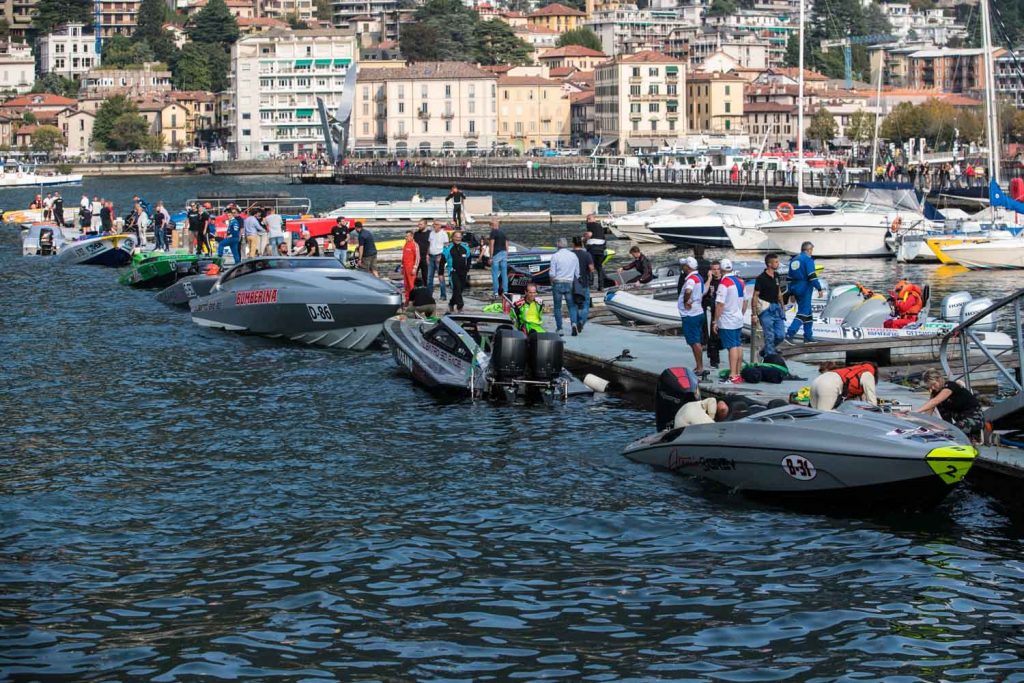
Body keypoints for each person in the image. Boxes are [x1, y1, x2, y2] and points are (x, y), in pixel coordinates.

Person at [918, 368, 984, 441]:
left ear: (939, 379)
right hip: (959, 420)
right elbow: (928, 413)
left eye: (934, 384)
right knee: (941, 428)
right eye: (930, 386)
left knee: (950, 432)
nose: (933, 388)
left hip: (974, 418)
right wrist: (922, 426)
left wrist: (916, 411)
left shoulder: (950, 386)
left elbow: (935, 401)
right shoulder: (935, 393)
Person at [713, 259, 747, 384]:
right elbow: (745, 301)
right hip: (738, 318)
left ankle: (732, 375)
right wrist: (741, 314)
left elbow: (720, 304)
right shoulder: (740, 281)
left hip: (728, 320)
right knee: (738, 345)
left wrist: (715, 321)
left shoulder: (724, 283)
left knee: (732, 347)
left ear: (721, 270)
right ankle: (738, 373)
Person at [785, 241, 822, 343]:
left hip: (795, 288)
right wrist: (819, 288)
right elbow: (812, 276)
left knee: (808, 313)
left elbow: (789, 278)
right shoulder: (808, 260)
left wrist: (791, 293)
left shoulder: (794, 260)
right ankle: (789, 334)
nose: (812, 252)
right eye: (811, 250)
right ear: (808, 250)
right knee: (803, 312)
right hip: (805, 288)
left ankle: (808, 336)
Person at [752, 253, 786, 358]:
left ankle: (766, 349)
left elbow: (779, 291)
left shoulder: (776, 275)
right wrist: (754, 314)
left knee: (780, 335)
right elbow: (755, 295)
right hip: (766, 309)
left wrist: (782, 305)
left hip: (777, 308)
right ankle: (770, 356)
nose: (778, 263)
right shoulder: (761, 278)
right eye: (776, 262)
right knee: (769, 335)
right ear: (769, 264)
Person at [677, 256, 706, 378]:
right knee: (696, 340)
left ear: (687, 267)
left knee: (694, 342)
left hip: (690, 314)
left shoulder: (690, 280)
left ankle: (700, 367)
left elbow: (688, 291)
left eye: (684, 265)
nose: (682, 267)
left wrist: (685, 302)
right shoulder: (699, 277)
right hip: (698, 311)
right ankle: (699, 365)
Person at [810, 361, 878, 411]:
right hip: (828, 384)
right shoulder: (868, 374)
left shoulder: (854, 370)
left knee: (813, 412)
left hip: (817, 380)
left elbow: (862, 399)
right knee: (825, 415)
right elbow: (872, 402)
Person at [549, 237, 580, 336]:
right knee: (571, 306)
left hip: (557, 282)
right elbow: (577, 273)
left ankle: (560, 328)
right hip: (569, 283)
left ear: (558, 244)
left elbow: (552, 273)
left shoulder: (555, 256)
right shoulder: (573, 256)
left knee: (557, 307)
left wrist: (551, 282)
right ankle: (574, 324)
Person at [700, 259, 722, 370]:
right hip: (711, 310)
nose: (716, 272)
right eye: (714, 269)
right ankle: (714, 360)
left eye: (718, 269)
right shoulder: (709, 281)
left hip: (722, 311)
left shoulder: (724, 281)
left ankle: (713, 351)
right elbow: (703, 291)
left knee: (720, 336)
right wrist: (709, 278)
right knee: (712, 336)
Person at [442, 230, 471, 313]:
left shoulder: (465, 247)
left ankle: (451, 303)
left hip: (463, 272)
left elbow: (469, 258)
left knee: (460, 290)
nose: (458, 239)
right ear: (452, 238)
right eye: (456, 237)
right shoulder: (448, 248)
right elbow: (442, 260)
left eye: (459, 237)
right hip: (453, 271)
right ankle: (460, 305)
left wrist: (468, 268)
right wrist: (440, 273)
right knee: (457, 288)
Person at [571, 235, 594, 333]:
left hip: (572, 283)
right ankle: (581, 322)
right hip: (584, 283)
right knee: (585, 304)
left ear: (573, 244)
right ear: (581, 243)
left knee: (574, 304)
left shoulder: (570, 254)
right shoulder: (587, 254)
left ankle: (575, 323)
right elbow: (591, 268)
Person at [584, 213, 607, 290]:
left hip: (593, 249)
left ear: (594, 219)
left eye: (589, 219)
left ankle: (590, 284)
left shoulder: (590, 225)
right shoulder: (600, 226)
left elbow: (589, 234)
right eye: (587, 219)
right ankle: (601, 286)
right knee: (599, 267)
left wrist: (584, 238)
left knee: (590, 266)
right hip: (601, 249)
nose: (587, 220)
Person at [427, 221, 449, 300]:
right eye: (433, 224)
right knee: (429, 277)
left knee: (440, 277)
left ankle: (443, 295)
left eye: (436, 224)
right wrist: (427, 254)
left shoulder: (444, 234)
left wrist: (442, 256)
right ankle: (429, 295)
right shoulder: (431, 233)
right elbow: (429, 244)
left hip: (439, 257)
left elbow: (446, 246)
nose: (434, 226)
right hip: (431, 256)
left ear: (440, 225)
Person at [488, 219, 509, 298]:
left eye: (490, 225)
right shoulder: (503, 233)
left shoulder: (493, 232)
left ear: (492, 225)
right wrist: (506, 254)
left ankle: (496, 292)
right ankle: (506, 291)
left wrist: (490, 257)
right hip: (504, 253)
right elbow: (507, 245)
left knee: (494, 273)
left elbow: (491, 245)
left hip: (496, 254)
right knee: (504, 273)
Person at [401, 230, 420, 304]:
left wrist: (415, 268)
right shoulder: (406, 244)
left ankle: (413, 300)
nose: (405, 237)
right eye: (405, 236)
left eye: (407, 236)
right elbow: (404, 256)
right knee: (406, 285)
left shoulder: (415, 245)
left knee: (411, 284)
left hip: (411, 268)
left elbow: (418, 257)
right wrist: (402, 266)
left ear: (412, 236)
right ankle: (407, 299)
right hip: (405, 268)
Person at [413, 219, 431, 287]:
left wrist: (428, 255)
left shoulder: (430, 233)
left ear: (425, 225)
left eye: (421, 224)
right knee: (414, 275)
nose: (419, 226)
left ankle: (427, 291)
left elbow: (431, 245)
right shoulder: (416, 234)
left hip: (425, 258)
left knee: (425, 276)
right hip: (417, 258)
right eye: (418, 224)